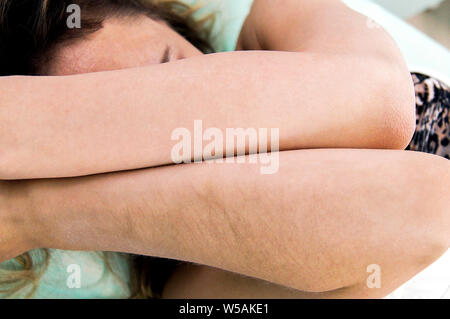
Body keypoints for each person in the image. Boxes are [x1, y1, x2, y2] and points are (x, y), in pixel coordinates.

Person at [0, 0, 449, 298]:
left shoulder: (274, 17)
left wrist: (32, 211)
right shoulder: (181, 281)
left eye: (173, 75)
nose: (189, 137)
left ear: (169, 22)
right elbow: (422, 204)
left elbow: (381, 104)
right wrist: (39, 213)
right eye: (115, 142)